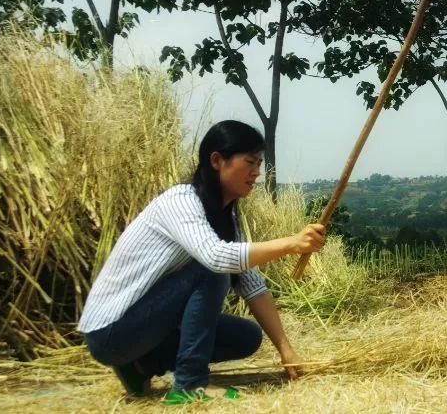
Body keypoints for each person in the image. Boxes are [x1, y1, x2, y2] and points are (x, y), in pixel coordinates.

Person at [78, 120, 327, 404]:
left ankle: (140, 366)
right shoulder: (181, 201)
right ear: (217, 161)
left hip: (142, 329)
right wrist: (290, 244)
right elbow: (217, 258)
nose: (256, 172)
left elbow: (252, 285)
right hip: (110, 332)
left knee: (246, 337)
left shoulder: (225, 219)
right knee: (211, 269)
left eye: (259, 163)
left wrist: (286, 350)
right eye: (249, 162)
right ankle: (189, 384)